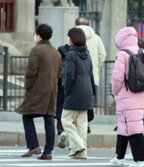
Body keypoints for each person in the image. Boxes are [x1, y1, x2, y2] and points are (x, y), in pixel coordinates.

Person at [16, 24, 62, 160]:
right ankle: (48, 151)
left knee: (27, 116)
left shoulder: (37, 50)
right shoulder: (56, 52)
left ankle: (33, 146)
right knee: (49, 119)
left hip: (37, 90)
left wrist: (28, 86)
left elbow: (31, 71)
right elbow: (60, 73)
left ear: (39, 36)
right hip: (52, 90)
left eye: (36, 34)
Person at [109, 27, 144, 167]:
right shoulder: (143, 51)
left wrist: (115, 91)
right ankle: (119, 157)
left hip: (126, 93)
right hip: (140, 91)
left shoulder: (123, 54)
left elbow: (117, 78)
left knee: (133, 126)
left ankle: (141, 160)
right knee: (123, 125)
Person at [61, 28, 96, 159]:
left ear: (73, 39)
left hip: (75, 91)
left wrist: (66, 90)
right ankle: (82, 153)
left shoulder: (71, 54)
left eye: (69, 37)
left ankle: (79, 144)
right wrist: (93, 91)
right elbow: (91, 74)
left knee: (66, 120)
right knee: (81, 124)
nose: (67, 39)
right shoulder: (87, 53)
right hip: (87, 91)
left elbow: (69, 75)